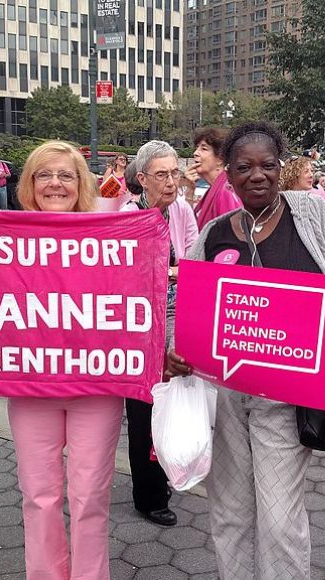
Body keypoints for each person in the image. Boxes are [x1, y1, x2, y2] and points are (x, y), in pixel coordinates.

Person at [165, 121, 325, 580]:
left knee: (279, 521)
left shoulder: (312, 217)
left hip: (287, 397)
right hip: (224, 395)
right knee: (230, 514)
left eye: (268, 165)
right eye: (244, 167)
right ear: (228, 175)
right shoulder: (215, 233)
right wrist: (175, 353)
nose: (257, 175)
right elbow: (192, 304)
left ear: (281, 168)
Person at [5, 141, 124, 580]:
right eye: (44, 174)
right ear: (29, 184)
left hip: (95, 386)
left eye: (66, 175)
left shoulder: (110, 237)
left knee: (90, 495)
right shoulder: (2, 239)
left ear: (82, 184)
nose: (55, 183)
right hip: (30, 385)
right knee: (39, 496)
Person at [119, 141, 198, 528]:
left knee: (170, 399)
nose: (171, 182)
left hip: (175, 313)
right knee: (143, 408)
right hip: (137, 320)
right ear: (142, 179)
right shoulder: (127, 214)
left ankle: (166, 473)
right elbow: (120, 269)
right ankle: (148, 494)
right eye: (162, 175)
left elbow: (194, 256)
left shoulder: (182, 209)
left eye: (175, 174)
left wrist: (183, 272)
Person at [187, 127, 242, 230]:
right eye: (197, 147)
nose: (195, 153)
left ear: (220, 158)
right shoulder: (214, 189)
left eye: (204, 149)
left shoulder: (226, 190)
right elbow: (190, 229)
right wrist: (189, 191)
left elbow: (231, 235)